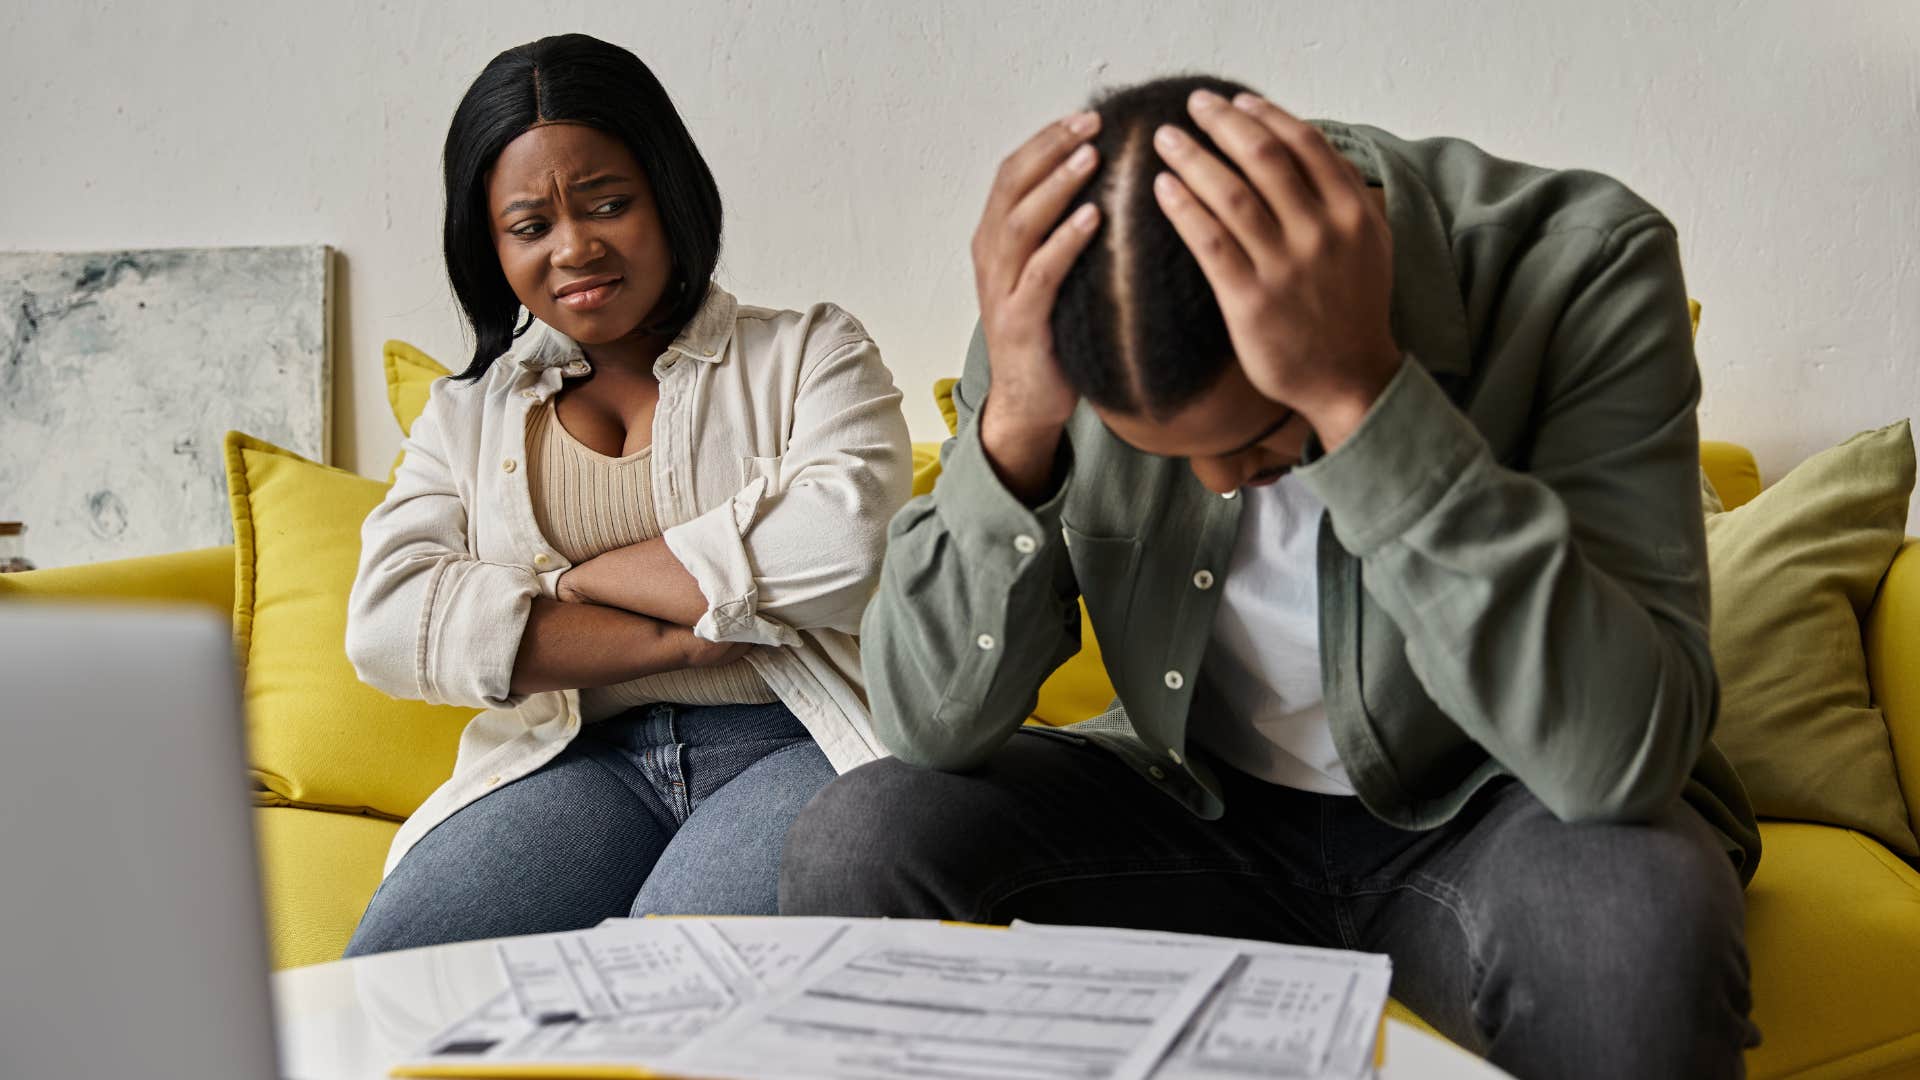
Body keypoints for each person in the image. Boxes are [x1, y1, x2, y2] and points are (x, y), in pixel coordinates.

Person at [781, 75, 1761, 1078]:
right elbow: (927, 724)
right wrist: (1019, 420)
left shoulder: (1581, 267)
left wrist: (1364, 399)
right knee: (860, 840)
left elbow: (1613, 763)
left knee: (1628, 919)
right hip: (1190, 809)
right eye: (1164, 452)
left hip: (1494, 813)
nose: (1217, 481)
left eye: (1259, 439)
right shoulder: (1066, 301)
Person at [342, 33, 910, 954]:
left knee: (662, 984)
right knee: (393, 979)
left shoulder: (812, 351)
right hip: (574, 758)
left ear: (669, 195)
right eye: (530, 227)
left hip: (795, 740)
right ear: (489, 247)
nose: (575, 248)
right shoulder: (466, 415)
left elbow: (848, 548)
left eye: (609, 204)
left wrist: (569, 585)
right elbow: (388, 623)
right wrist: (678, 637)